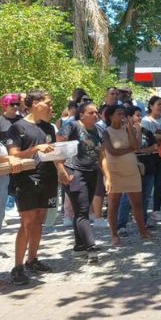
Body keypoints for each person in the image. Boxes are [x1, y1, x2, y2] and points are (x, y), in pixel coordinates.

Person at [6, 91, 68, 285]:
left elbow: (54, 153)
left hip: (47, 179)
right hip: (26, 180)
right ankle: (17, 267)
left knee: (39, 221)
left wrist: (61, 170)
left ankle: (32, 259)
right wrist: (34, 149)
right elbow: (13, 155)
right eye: (48, 104)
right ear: (34, 104)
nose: (51, 108)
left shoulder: (49, 127)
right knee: (27, 223)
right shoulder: (17, 127)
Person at [57, 102, 103, 263]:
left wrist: (107, 175)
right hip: (74, 172)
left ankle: (79, 246)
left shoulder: (97, 130)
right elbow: (59, 145)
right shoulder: (72, 126)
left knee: (80, 211)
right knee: (83, 212)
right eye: (91, 112)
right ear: (82, 114)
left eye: (97, 112)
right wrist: (61, 169)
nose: (95, 115)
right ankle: (91, 247)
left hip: (91, 172)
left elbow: (101, 154)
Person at [101, 105, 151, 246]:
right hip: (114, 171)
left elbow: (136, 146)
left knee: (137, 203)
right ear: (110, 116)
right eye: (119, 114)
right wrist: (129, 149)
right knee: (114, 204)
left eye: (123, 114)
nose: (122, 116)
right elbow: (112, 151)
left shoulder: (128, 129)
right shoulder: (106, 132)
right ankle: (114, 235)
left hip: (131, 171)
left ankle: (143, 231)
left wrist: (130, 129)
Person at [117, 106, 158, 236]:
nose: (140, 118)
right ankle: (121, 225)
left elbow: (155, 147)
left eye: (141, 115)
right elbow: (135, 147)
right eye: (137, 115)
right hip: (132, 169)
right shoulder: (124, 133)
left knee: (145, 198)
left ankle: (143, 222)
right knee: (127, 199)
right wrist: (139, 136)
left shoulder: (147, 131)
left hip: (148, 168)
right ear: (129, 117)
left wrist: (142, 151)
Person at [0, 93, 21, 227]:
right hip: (4, 162)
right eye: (12, 104)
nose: (15, 107)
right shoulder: (1, 121)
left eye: (17, 104)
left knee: (20, 188)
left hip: (20, 160)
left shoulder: (22, 120)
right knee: (4, 191)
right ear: (5, 105)